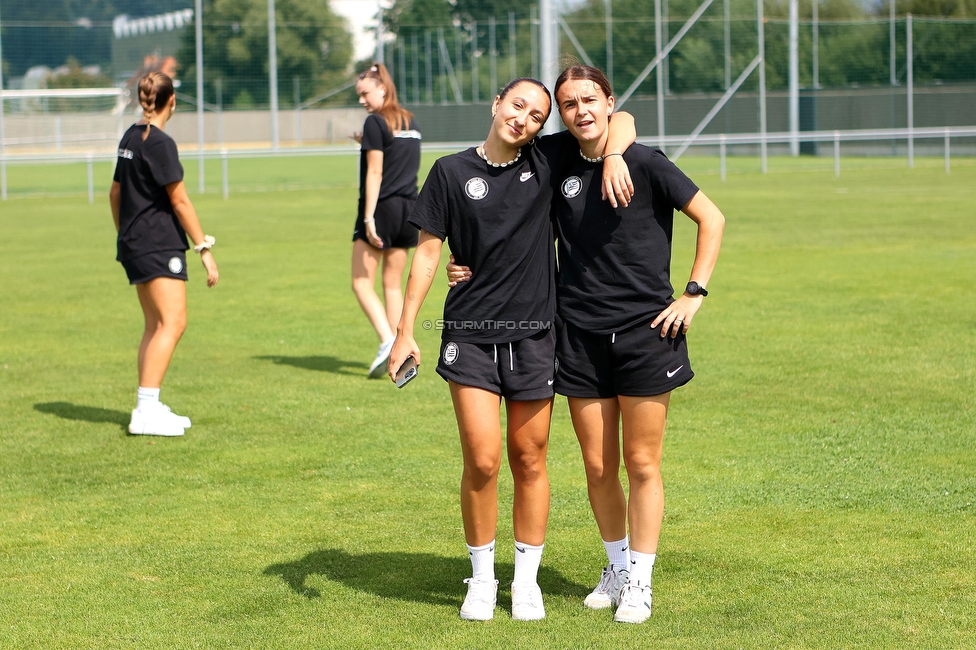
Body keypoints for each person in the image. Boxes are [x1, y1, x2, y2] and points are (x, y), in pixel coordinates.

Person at [448, 65, 725, 624]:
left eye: (590, 100)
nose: (581, 111)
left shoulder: (643, 160)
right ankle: (618, 569)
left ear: (608, 101)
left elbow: (711, 218)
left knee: (641, 463)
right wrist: (466, 264)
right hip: (575, 334)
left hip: (649, 333)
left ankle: (641, 583)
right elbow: (501, 189)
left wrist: (693, 292)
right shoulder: (555, 160)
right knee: (598, 467)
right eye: (569, 104)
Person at [387, 77, 636, 622]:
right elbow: (428, 256)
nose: (523, 118)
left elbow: (617, 119)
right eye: (517, 105)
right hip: (470, 335)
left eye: (536, 115)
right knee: (481, 459)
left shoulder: (547, 160)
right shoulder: (449, 172)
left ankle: (525, 584)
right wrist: (405, 329)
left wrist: (614, 154)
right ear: (496, 103)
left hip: (535, 336)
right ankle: (481, 580)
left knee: (530, 458)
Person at [109, 72, 219, 437]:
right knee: (173, 323)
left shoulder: (130, 136)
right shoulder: (160, 143)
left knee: (155, 325)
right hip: (158, 245)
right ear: (171, 101)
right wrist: (204, 247)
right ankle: (144, 412)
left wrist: (125, 234)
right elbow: (180, 200)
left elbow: (115, 194)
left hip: (134, 243)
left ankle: (149, 405)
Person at [351, 63, 422, 378]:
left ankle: (386, 341)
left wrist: (367, 218)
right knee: (392, 285)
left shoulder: (375, 123)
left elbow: (377, 172)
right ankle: (400, 354)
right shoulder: (410, 120)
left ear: (383, 88)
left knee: (361, 282)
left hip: (381, 209)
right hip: (409, 211)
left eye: (365, 93)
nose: (362, 100)